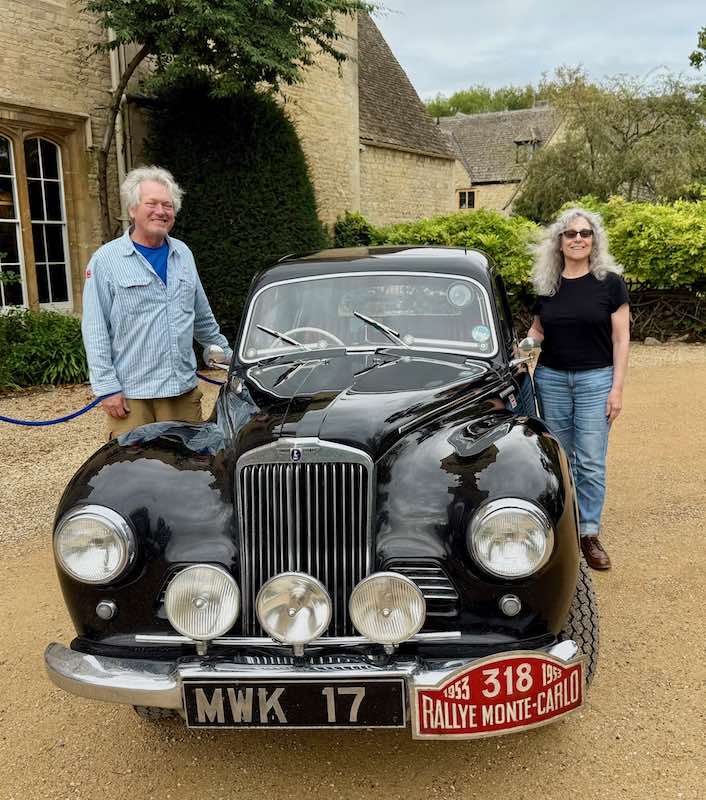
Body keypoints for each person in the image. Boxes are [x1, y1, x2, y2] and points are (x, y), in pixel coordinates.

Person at [82, 166, 232, 438]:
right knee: (134, 473)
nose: (161, 211)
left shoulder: (183, 254)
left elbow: (202, 319)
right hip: (132, 399)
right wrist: (107, 388)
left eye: (168, 205)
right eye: (151, 203)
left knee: (189, 471)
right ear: (132, 209)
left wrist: (229, 357)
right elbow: (94, 329)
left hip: (181, 393)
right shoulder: (106, 261)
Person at [525, 207, 630, 571]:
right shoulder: (547, 285)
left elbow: (621, 338)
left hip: (595, 380)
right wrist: (524, 346)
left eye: (585, 233)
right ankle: (563, 530)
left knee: (590, 460)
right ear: (560, 241)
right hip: (551, 379)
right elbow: (538, 330)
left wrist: (616, 389)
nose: (578, 239)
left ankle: (588, 533)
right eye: (571, 234)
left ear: (594, 239)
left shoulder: (610, 283)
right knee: (559, 458)